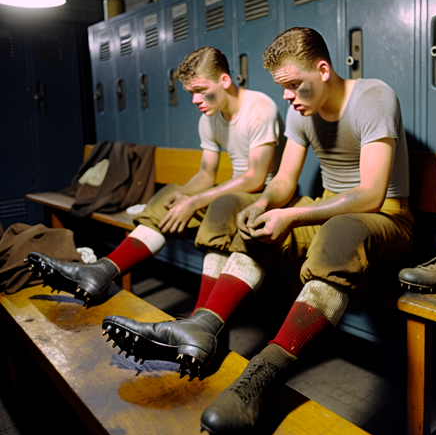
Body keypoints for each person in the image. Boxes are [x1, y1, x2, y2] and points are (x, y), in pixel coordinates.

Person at [102, 27, 414, 435]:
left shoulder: (373, 97)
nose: (288, 97)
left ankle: (263, 378)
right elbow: (284, 182)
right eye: (282, 88)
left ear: (323, 70)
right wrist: (264, 205)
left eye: (294, 85)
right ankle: (203, 327)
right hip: (330, 208)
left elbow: (371, 195)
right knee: (253, 228)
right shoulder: (302, 111)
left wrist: (292, 217)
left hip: (386, 218)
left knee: (338, 234)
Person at [27, 46, 284, 309]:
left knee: (218, 206)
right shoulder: (209, 116)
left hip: (266, 194)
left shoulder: (259, 108)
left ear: (225, 81)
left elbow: (255, 178)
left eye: (200, 90)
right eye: (190, 93)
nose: (195, 100)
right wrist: (183, 196)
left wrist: (194, 203)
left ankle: (201, 317)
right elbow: (206, 175)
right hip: (235, 191)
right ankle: (103, 271)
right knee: (170, 194)